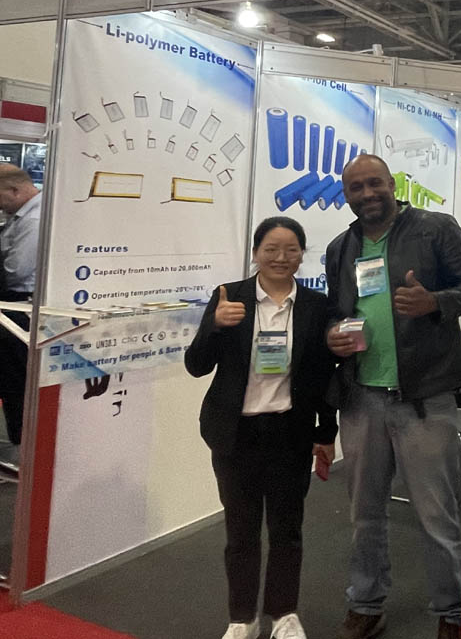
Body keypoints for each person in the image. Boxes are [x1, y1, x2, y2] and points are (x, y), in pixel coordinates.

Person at [325, 155, 461, 639]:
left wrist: (435, 301)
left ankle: (453, 613)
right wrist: (333, 334)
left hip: (424, 399)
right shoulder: (340, 247)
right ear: (346, 195)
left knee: (437, 517)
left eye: (374, 183)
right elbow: (336, 310)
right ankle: (366, 603)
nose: (367, 193)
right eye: (356, 187)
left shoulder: (435, 229)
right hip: (360, 399)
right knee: (364, 515)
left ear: (392, 185)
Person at [185, 217, 339, 639]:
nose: (280, 258)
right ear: (255, 253)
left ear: (302, 255)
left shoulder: (316, 306)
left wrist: (326, 433)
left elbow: (323, 375)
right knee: (241, 532)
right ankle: (242, 618)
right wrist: (215, 326)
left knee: (287, 530)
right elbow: (196, 365)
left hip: (290, 433)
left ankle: (283, 614)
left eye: (291, 250)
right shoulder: (229, 297)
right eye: (271, 249)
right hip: (236, 434)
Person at [0, 165, 40, 473]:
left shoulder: (35, 220)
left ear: (14, 190)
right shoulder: (21, 216)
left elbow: (16, 271)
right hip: (15, 305)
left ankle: (24, 452)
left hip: (22, 308)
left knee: (17, 381)